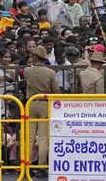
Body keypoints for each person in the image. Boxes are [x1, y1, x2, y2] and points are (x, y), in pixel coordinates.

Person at [25, 46, 60, 178]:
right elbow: (56, 91)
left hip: (30, 104)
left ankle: (27, 165)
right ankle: (41, 166)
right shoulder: (50, 73)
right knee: (44, 137)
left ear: (34, 58)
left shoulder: (28, 71)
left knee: (30, 137)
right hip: (45, 105)